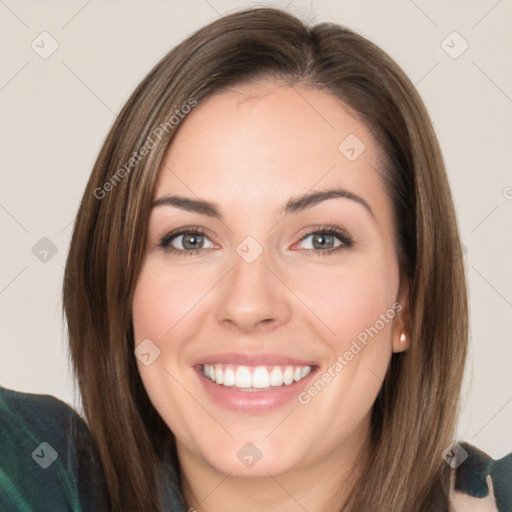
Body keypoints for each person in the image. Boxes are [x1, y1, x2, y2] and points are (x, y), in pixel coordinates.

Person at [1, 7, 510, 512]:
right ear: (120, 287)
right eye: (190, 240)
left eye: (321, 240)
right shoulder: (36, 477)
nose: (248, 305)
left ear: (407, 302)